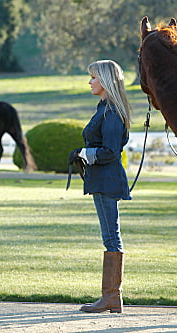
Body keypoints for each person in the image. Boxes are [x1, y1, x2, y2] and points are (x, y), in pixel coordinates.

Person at [68, 60, 132, 313]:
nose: (90, 82)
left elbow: (110, 152)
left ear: (104, 81)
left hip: (107, 180)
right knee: (110, 235)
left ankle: (111, 296)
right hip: (102, 179)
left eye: (93, 77)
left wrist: (84, 153)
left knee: (111, 237)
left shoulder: (112, 113)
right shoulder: (105, 108)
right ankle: (111, 297)